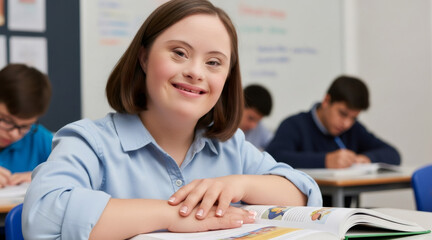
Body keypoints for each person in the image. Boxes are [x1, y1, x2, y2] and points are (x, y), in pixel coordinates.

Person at [22, 0, 322, 239]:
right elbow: (43, 217)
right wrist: (174, 215)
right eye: (179, 53)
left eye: (214, 62)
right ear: (143, 57)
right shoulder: (89, 142)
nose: (196, 72)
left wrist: (240, 184)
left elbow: (303, 195)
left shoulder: (230, 147)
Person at [266, 75, 400, 206]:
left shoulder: (353, 130)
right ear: (326, 101)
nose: (346, 123)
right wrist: (325, 160)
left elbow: (393, 154)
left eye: (353, 118)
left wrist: (366, 158)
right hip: (303, 214)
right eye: (342, 113)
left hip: (342, 214)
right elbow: (274, 157)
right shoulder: (294, 125)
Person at [0, 63, 52, 188]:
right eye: (6, 120)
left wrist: (42, 176)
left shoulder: (40, 138)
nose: (14, 134)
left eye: (24, 126)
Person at [239, 84, 273, 150]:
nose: (253, 126)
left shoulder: (260, 128)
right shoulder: (221, 127)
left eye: (258, 121)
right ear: (238, 105)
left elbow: (275, 147)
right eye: (251, 118)